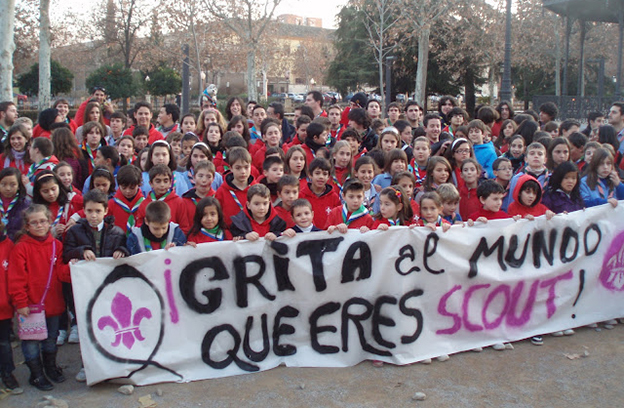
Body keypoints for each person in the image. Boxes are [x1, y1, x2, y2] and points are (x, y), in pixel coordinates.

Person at [9, 204, 70, 390]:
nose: (39, 225)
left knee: (51, 338)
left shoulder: (56, 245)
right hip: (30, 306)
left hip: (52, 303)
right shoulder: (20, 249)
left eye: (43, 221)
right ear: (27, 226)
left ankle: (50, 368)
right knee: (31, 342)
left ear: (50, 222)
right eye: (34, 223)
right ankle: (36, 374)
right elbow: (16, 279)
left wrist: (75, 268)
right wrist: (20, 302)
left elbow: (60, 272)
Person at [135, 164, 190, 233]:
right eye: (158, 181)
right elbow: (139, 227)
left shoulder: (178, 202)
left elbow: (184, 227)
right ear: (151, 183)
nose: (162, 185)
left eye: (165, 181)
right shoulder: (144, 204)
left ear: (170, 183)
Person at [0, 221, 19, 393]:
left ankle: (7, 373)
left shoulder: (8, 245)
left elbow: (14, 276)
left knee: (4, 343)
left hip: (3, 307)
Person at [215, 147, 254, 226]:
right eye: (238, 168)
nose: (243, 172)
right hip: (231, 235)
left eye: (246, 167)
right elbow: (218, 219)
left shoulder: (257, 189)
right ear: (231, 168)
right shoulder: (221, 192)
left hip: (255, 236)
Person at [505, 142, 550, 211]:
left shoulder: (550, 178)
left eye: (540, 154)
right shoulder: (517, 178)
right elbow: (512, 202)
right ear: (526, 159)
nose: (536, 156)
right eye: (532, 153)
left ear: (545, 160)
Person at [299, 158, 341, 229]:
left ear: (328, 177)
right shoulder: (301, 195)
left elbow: (339, 218)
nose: (321, 177)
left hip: (328, 236)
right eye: (317, 173)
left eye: (324, 174)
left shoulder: (334, 197)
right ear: (310, 174)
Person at [108, 164, 144, 234]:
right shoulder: (111, 204)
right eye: (124, 187)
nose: (128, 191)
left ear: (138, 185)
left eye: (132, 188)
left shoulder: (144, 204)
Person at [0, 167, 29, 241]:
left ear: (19, 186)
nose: (8, 188)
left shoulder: (26, 205)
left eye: (12, 185)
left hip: (17, 245)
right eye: (3, 184)